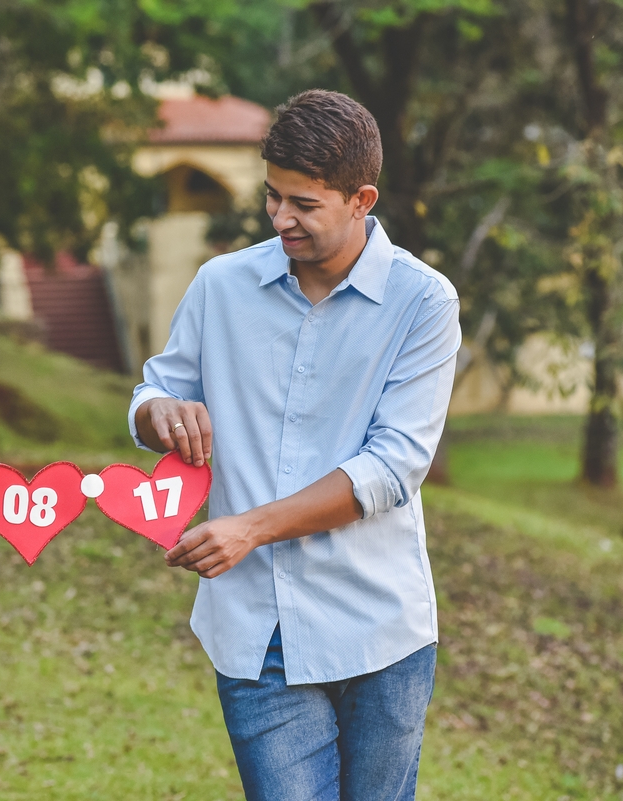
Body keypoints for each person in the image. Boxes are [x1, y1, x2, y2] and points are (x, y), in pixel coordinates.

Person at [130, 90, 460, 800]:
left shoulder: (424, 303)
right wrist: (162, 414)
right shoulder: (222, 285)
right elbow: (153, 389)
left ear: (361, 198)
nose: (281, 218)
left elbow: (393, 466)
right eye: (273, 197)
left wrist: (250, 527)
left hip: (380, 631)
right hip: (256, 630)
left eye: (304, 204)